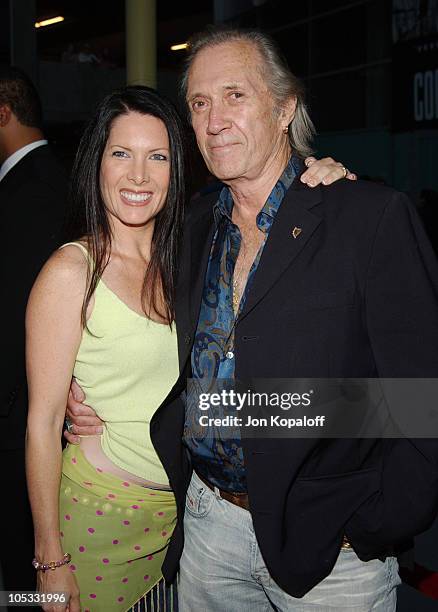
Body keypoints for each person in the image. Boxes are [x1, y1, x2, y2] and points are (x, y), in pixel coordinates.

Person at [67, 26, 438, 611]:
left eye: (235, 95)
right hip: (209, 530)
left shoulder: (367, 218)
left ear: (286, 106)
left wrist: (375, 524)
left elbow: (420, 395)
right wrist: (83, 392)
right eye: (199, 102)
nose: (215, 119)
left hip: (335, 553)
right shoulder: (188, 229)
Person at [25, 86, 186, 612]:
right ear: (97, 163)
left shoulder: (189, 262)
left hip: (185, 523)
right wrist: (49, 560)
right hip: (100, 520)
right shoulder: (72, 272)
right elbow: (44, 423)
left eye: (156, 156)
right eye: (122, 154)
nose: (139, 175)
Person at [0, 65, 68, 595]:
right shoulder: (43, 181)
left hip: (24, 413)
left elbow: (18, 314)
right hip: (29, 412)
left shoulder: (34, 190)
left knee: (29, 563)